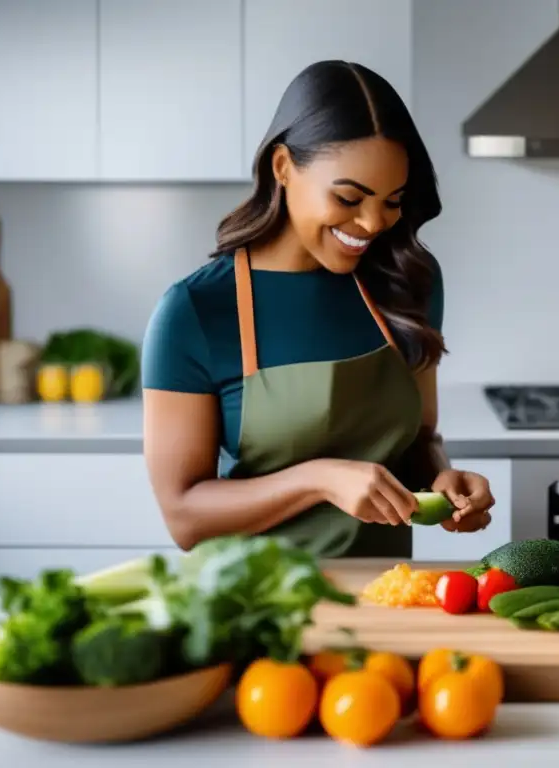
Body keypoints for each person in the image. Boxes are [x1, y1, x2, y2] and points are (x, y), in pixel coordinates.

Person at [140, 60, 495, 558]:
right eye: (350, 197)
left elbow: (417, 436)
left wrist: (442, 477)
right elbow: (185, 516)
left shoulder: (409, 281)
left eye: (392, 200)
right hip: (256, 605)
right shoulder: (196, 310)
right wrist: (320, 480)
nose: (373, 224)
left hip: (383, 595)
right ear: (282, 167)